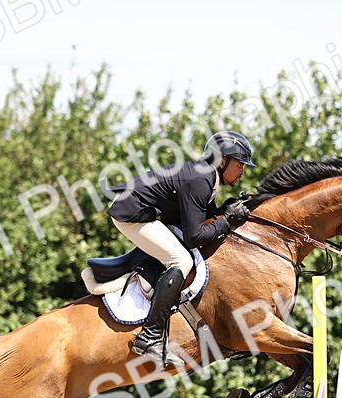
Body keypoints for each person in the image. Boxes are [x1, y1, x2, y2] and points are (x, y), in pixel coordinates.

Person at [107, 130, 255, 367]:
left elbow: (206, 218)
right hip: (132, 213)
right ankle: (149, 336)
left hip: (146, 211)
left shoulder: (207, 177)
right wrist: (227, 220)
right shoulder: (201, 180)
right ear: (222, 160)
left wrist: (230, 209)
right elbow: (194, 236)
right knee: (181, 260)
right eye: (239, 164)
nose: (242, 171)